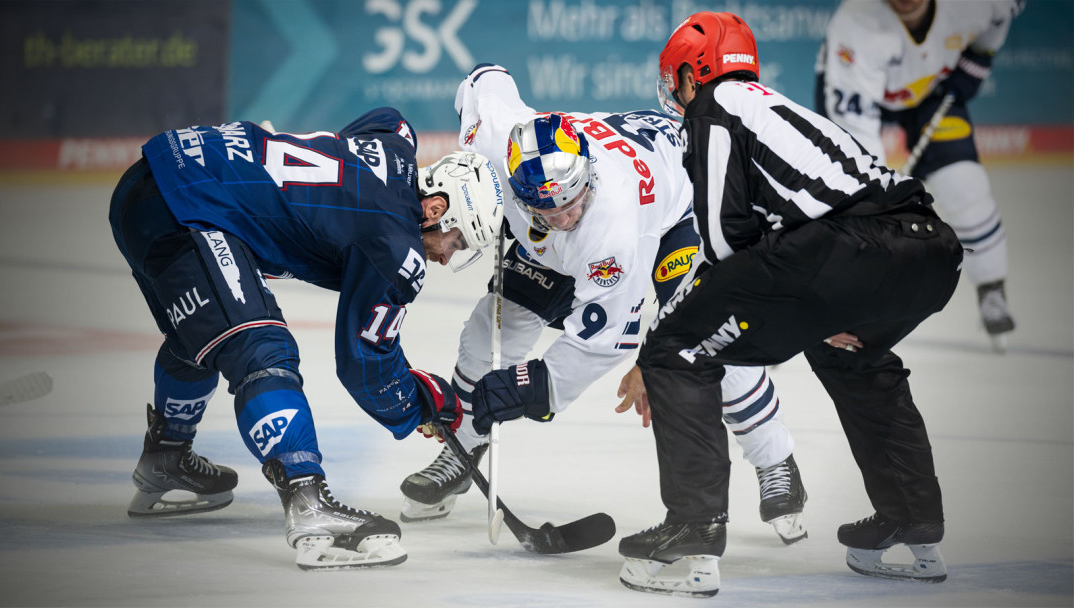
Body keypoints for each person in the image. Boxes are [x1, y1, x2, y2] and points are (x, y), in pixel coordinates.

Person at [614, 11, 963, 597]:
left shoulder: (716, 110)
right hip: (928, 250)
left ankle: (694, 533)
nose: (674, 90)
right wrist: (815, 311)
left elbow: (727, 243)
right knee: (854, 358)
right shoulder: (781, 107)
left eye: (676, 77)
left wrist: (664, 347)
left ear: (693, 75)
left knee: (675, 348)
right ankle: (914, 522)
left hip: (844, 256)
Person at [397, 63, 808, 545]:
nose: (566, 216)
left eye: (573, 201)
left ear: (586, 173)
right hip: (570, 224)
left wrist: (532, 389)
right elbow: (486, 77)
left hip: (678, 207)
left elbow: (606, 339)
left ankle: (775, 458)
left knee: (704, 339)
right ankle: (463, 450)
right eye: (549, 210)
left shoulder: (609, 229)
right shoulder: (492, 143)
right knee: (490, 331)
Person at [108, 108, 505, 570]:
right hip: (188, 210)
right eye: (455, 242)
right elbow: (364, 366)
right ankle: (309, 504)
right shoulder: (396, 246)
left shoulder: (396, 144)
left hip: (151, 185)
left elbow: (386, 120)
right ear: (435, 209)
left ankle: (166, 456)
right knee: (259, 349)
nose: (443, 257)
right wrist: (426, 402)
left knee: (198, 335)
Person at [816, 0, 1024, 352]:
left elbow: (1003, 13)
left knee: (964, 187)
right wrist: (880, 199)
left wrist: (980, 56)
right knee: (844, 198)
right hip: (860, 97)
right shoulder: (857, 23)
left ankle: (992, 289)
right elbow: (859, 137)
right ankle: (811, 302)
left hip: (933, 92)